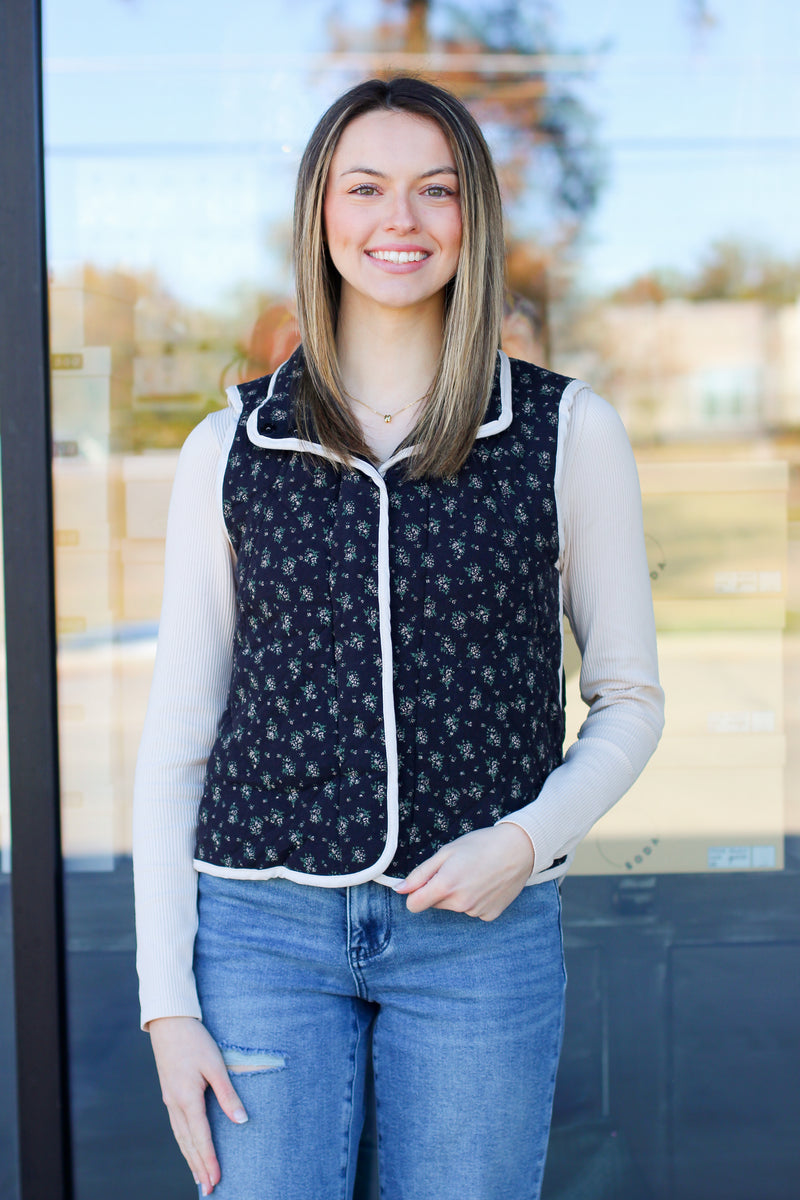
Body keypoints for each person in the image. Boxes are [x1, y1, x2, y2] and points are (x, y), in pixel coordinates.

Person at [133, 75, 664, 1200]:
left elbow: (627, 698)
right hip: (259, 933)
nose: (400, 221)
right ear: (320, 214)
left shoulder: (566, 430)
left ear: (471, 215)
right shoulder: (227, 446)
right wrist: (166, 1000)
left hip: (480, 941)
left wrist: (527, 842)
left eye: (435, 190)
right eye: (365, 187)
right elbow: (180, 734)